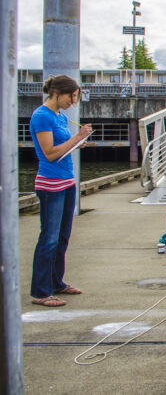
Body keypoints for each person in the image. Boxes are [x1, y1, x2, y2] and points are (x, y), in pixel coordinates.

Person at [29, 75, 92, 307]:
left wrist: (78, 142)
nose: (72, 102)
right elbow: (50, 153)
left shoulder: (59, 115)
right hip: (50, 184)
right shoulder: (42, 116)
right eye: (71, 97)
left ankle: (56, 283)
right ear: (57, 93)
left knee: (62, 238)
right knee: (49, 238)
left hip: (67, 181)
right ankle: (41, 292)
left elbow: (63, 147)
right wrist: (77, 137)